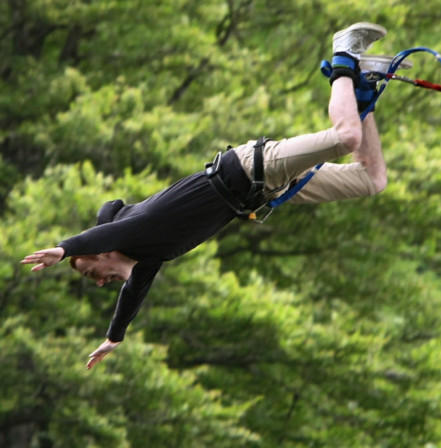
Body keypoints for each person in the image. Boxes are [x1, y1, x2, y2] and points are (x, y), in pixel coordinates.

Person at [21, 22, 394, 370]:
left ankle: (344, 56)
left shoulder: (131, 229)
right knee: (371, 179)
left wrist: (63, 249)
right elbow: (133, 293)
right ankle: (360, 91)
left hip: (252, 166)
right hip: (264, 190)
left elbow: (100, 235)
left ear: (104, 251)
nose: (101, 282)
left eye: (93, 273)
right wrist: (114, 337)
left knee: (346, 139)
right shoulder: (149, 253)